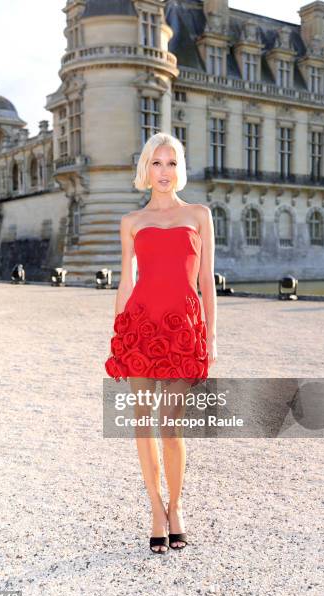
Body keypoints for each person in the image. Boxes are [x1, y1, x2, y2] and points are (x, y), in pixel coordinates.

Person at [105, 132, 217, 553]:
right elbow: (126, 280)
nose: (164, 172)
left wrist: (211, 336)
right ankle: (155, 509)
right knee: (141, 425)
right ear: (145, 169)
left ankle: (177, 506)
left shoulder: (199, 215)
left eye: (171, 163)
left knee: (170, 426)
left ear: (179, 169)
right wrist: (119, 335)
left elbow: (206, 281)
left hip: (183, 329)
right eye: (157, 163)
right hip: (140, 327)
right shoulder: (131, 222)